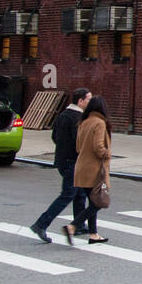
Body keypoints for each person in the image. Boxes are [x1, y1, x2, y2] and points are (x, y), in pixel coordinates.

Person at [30, 87, 91, 242]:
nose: (90, 102)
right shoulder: (78, 118)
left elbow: (54, 136)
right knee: (68, 194)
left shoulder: (63, 115)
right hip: (74, 162)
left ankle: (79, 224)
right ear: (80, 101)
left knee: (80, 193)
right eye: (89, 99)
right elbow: (79, 143)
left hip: (64, 160)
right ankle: (41, 224)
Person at [63, 96, 112, 245]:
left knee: (92, 202)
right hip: (94, 169)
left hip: (81, 167)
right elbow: (98, 147)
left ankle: (93, 234)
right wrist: (107, 153)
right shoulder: (100, 123)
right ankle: (72, 226)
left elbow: (78, 147)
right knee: (99, 203)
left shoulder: (83, 122)